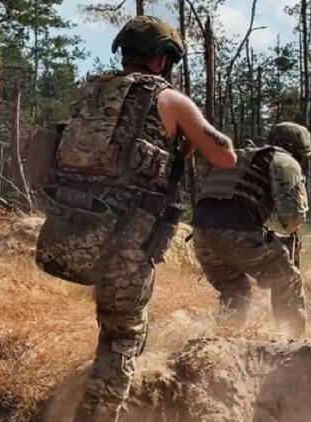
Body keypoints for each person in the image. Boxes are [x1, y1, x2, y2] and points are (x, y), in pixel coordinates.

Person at [33, 16, 237, 422]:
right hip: (126, 238)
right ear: (162, 59)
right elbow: (225, 156)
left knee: (112, 325)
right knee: (122, 336)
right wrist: (190, 132)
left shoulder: (92, 91)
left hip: (74, 227)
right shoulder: (169, 99)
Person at [191, 122, 311, 335]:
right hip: (238, 233)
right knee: (287, 277)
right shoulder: (284, 160)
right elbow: (292, 218)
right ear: (297, 149)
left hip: (201, 237)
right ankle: (291, 339)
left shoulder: (240, 157)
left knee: (235, 291)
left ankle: (223, 338)